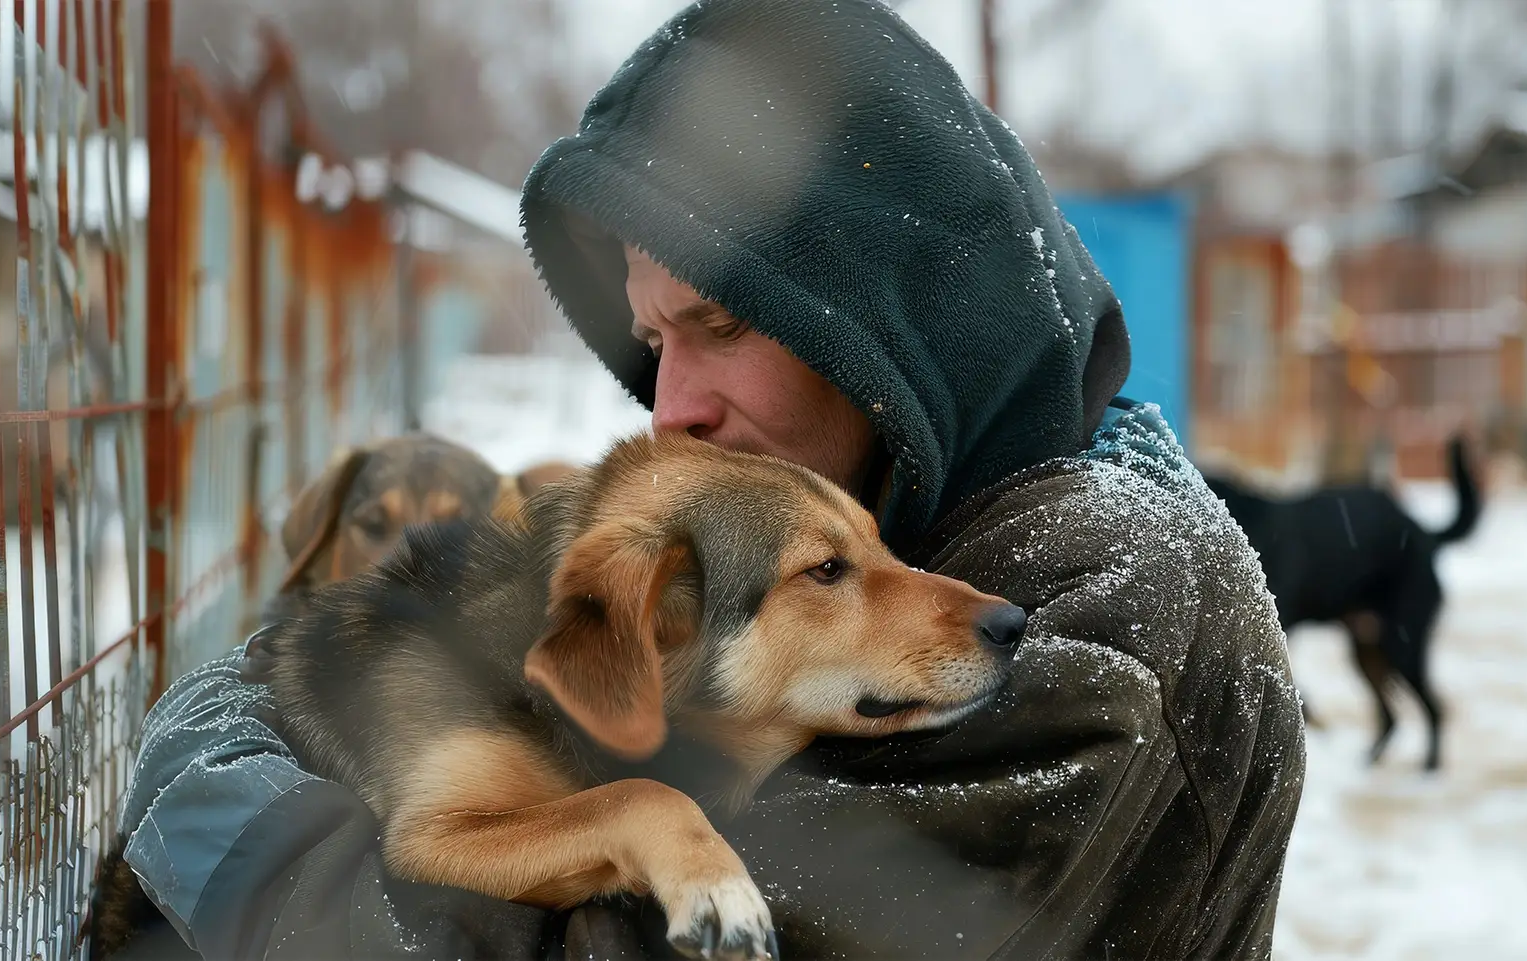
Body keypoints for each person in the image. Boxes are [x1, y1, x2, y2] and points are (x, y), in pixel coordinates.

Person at [109, 0, 1304, 957]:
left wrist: (239, 830)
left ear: (890, 323)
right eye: (653, 339)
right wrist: (282, 680)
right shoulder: (928, 517)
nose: (668, 401)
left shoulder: (1100, 604)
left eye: (722, 323)